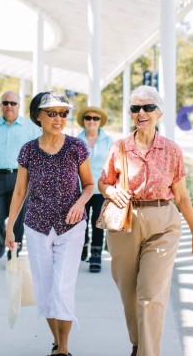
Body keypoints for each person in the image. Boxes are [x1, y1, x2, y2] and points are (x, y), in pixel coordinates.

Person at [98, 85, 193, 356]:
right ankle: (138, 342)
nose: (141, 113)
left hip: (163, 224)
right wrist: (111, 191)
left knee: (151, 295)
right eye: (135, 108)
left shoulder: (172, 151)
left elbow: (181, 196)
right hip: (125, 223)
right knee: (129, 293)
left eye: (147, 107)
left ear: (159, 112)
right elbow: (103, 182)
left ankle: (147, 352)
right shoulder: (119, 147)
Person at [5, 91, 94, 356]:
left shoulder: (77, 147)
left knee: (62, 288)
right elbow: (20, 192)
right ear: (37, 117)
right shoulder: (29, 151)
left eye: (63, 113)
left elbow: (89, 185)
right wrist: (10, 227)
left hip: (71, 227)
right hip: (37, 227)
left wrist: (80, 204)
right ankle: (57, 340)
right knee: (45, 291)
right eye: (52, 113)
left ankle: (63, 349)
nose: (59, 119)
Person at [0, 91, 41, 260]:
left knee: (18, 217)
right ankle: (2, 238)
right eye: (5, 103)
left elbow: (39, 154)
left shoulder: (30, 128)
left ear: (19, 106)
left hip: (21, 177)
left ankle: (14, 252)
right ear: (1, 105)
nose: (9, 106)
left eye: (13, 103)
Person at [76, 106, 113, 272]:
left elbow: (114, 165)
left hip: (100, 188)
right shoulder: (76, 140)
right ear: (84, 121)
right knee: (80, 221)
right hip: (80, 188)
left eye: (95, 118)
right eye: (88, 118)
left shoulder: (108, 141)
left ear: (100, 122)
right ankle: (83, 243)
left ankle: (96, 254)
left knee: (97, 223)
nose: (91, 121)